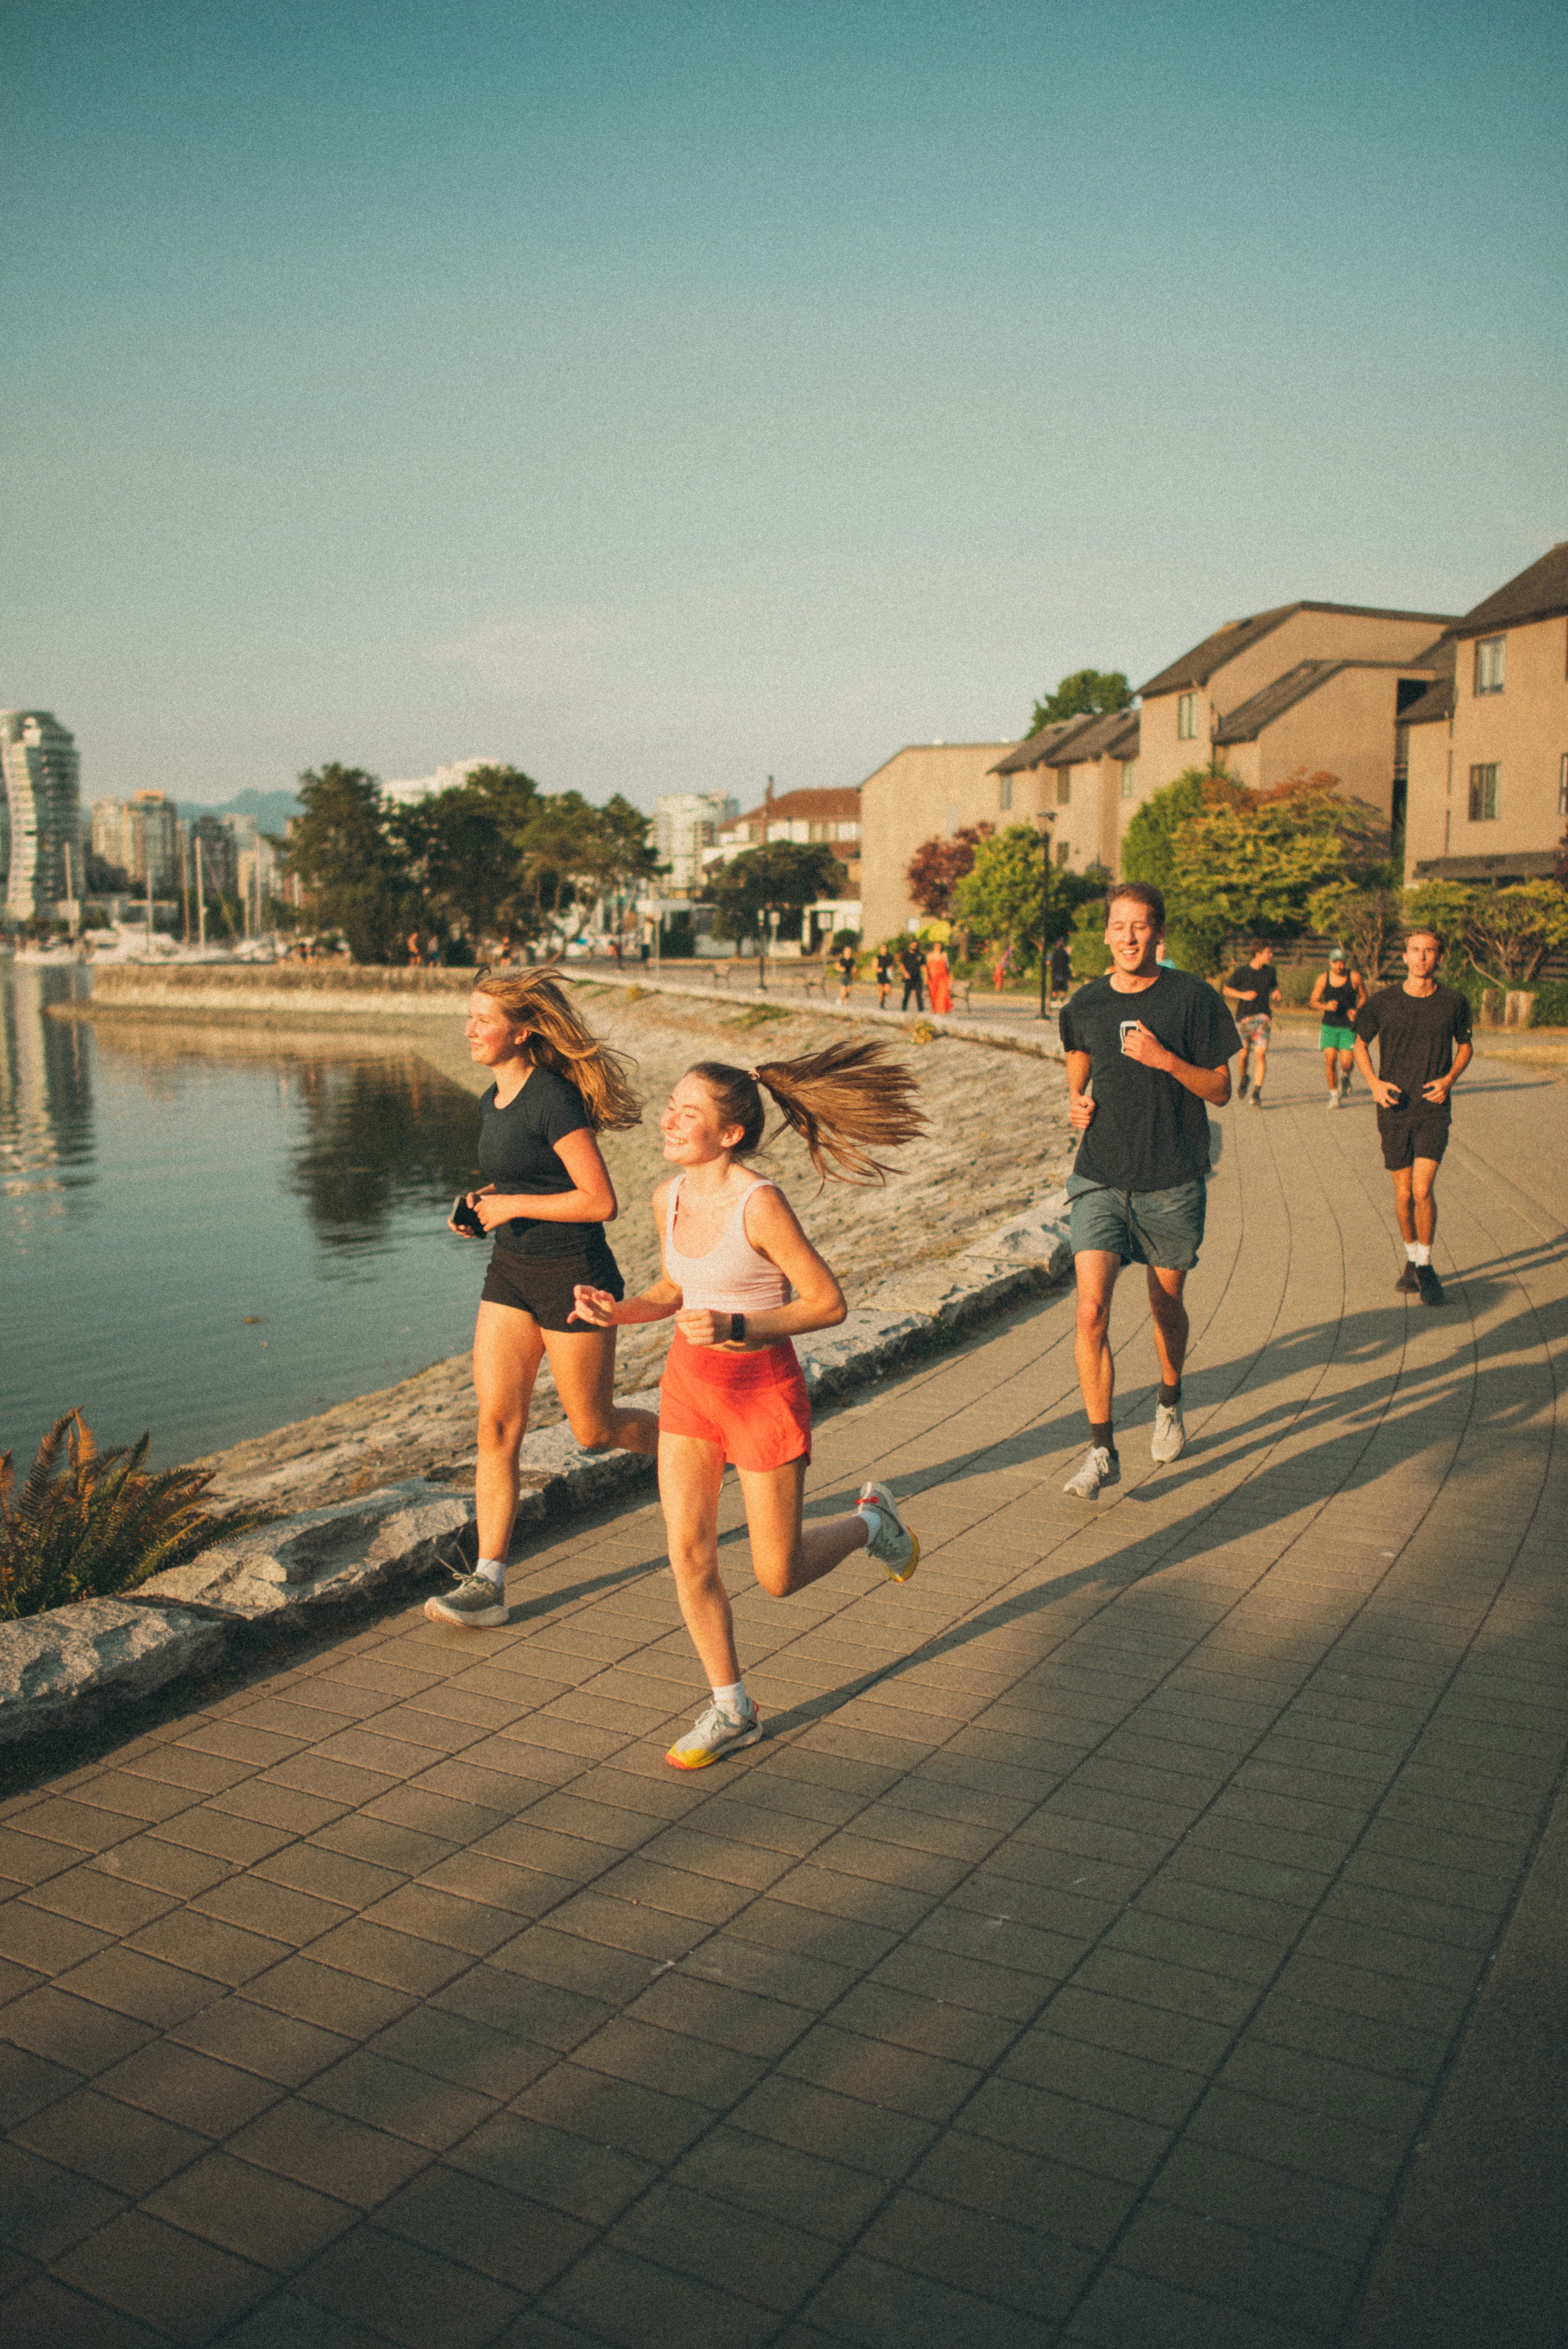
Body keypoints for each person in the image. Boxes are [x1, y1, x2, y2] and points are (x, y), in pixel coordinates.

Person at [572, 1041, 927, 1766]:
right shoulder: (666, 1198)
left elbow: (828, 1303)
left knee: (778, 1574)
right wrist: (619, 1312)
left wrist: (743, 1326)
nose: (669, 1120)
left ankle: (870, 1521)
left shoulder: (759, 1204)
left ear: (729, 1133)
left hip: (763, 1392)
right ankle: (732, 1706)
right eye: (671, 1107)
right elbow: (676, 1291)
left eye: (688, 1113)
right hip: (690, 1390)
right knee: (688, 1554)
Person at [426, 969, 659, 1628]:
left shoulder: (552, 1098)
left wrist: (513, 1205)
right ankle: (489, 1580)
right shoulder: (489, 1101)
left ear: (522, 1032)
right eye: (468, 1016)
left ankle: (702, 1450)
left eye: (482, 1019)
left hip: (572, 1275)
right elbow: (518, 1180)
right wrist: (479, 1206)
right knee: (497, 1424)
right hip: (511, 1273)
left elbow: (600, 1200)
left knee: (595, 1428)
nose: (469, 1028)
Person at [1058, 882, 1239, 1498]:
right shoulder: (1085, 1002)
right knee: (1090, 1311)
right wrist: (1076, 1099)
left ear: (1158, 933)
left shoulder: (1193, 999)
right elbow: (1077, 1051)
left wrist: (1165, 1060)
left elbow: (1220, 1088)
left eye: (1140, 926)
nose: (1129, 936)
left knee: (1165, 1306)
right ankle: (1102, 1449)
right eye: (1119, 926)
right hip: (1100, 1173)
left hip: (1171, 1179)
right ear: (1105, 933)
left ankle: (1168, 1398)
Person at [1352, 928, 1472, 1306]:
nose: (1421, 958)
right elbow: (1359, 1045)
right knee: (1403, 1196)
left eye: (1429, 951)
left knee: (1422, 1190)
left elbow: (1466, 1046)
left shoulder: (1454, 1002)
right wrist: (1373, 1084)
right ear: (1404, 956)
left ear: (1440, 957)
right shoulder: (1383, 1002)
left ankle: (1426, 1266)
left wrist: (1450, 1079)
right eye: (1415, 951)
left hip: (1433, 1109)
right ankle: (1409, 1258)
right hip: (1393, 1109)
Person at [1222, 941, 1281, 1108]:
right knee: (1243, 1055)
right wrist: (1243, 995)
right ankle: (1244, 1078)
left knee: (1261, 1055)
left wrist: (1277, 992)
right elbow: (1227, 990)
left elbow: (1274, 986)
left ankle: (1256, 1093)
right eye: (1269, 953)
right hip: (1244, 1019)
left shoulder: (1270, 972)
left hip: (1263, 1019)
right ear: (1258, 953)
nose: (1271, 956)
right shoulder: (1242, 972)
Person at [1310, 946, 1366, 1107]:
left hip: (1348, 1027)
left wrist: (1357, 1010)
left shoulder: (1354, 977)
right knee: (1330, 1060)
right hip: (1329, 1026)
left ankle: (1345, 1077)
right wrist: (1326, 1007)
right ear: (1330, 962)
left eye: (1342, 963)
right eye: (1336, 963)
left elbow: (1363, 997)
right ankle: (1334, 1094)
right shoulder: (1323, 979)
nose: (1339, 966)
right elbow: (1313, 1001)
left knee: (1346, 1062)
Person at [924, 940, 953, 1015]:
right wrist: (926, 976)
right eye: (937, 946)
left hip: (943, 978)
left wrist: (951, 977)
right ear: (934, 946)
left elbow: (948, 967)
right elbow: (926, 967)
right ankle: (934, 1009)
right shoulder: (929, 955)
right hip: (932, 978)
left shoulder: (944, 955)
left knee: (943, 994)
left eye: (940, 946)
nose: (938, 947)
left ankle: (943, 1010)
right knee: (933, 994)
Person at [898, 939, 926, 1012]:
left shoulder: (920, 955)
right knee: (907, 995)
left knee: (919, 995)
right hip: (908, 978)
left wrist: (926, 976)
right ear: (910, 945)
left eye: (916, 946)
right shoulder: (905, 954)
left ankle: (921, 1011)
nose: (914, 947)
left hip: (917, 977)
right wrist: (905, 973)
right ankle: (903, 1010)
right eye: (913, 945)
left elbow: (923, 967)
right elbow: (902, 965)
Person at [1048, 940, 1072, 1005]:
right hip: (1064, 973)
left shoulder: (1053, 953)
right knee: (1063, 988)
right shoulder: (1066, 954)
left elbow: (1048, 963)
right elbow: (1069, 963)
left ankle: (1054, 1002)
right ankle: (1061, 1002)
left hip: (1055, 972)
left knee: (1055, 988)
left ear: (1057, 946)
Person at [835, 940, 858, 1004]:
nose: (849, 953)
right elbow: (836, 967)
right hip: (844, 976)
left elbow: (853, 967)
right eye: (847, 951)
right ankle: (839, 1001)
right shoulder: (842, 960)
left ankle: (846, 1006)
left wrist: (854, 970)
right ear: (845, 952)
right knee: (844, 992)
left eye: (849, 951)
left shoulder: (852, 960)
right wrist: (841, 969)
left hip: (849, 976)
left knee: (849, 992)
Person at [874, 944, 894, 1008]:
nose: (884, 949)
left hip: (888, 974)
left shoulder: (890, 957)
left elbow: (893, 964)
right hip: (881, 975)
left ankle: (883, 996)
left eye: (885, 948)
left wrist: (891, 968)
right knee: (881, 989)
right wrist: (878, 969)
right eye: (883, 948)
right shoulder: (878, 957)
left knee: (888, 991)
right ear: (880, 949)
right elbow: (874, 966)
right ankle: (881, 1004)